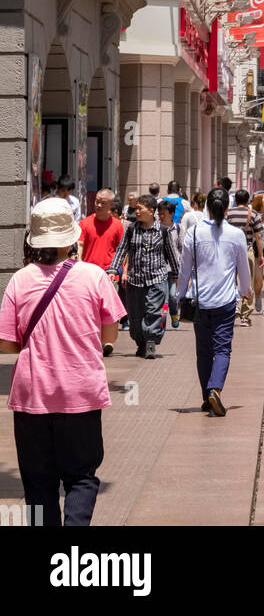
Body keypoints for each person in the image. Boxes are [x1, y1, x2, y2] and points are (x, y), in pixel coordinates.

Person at [0, 199, 126, 526]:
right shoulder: (93, 276)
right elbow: (109, 334)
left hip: (32, 397)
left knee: (38, 482)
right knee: (81, 476)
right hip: (81, 394)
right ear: (72, 237)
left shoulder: (20, 280)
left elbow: (7, 343)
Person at [177, 187, 251, 417]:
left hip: (200, 301)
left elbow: (185, 269)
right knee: (222, 349)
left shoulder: (194, 232)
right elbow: (243, 269)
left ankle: (207, 397)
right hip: (226, 301)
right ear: (226, 208)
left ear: (207, 207)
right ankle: (215, 389)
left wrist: (180, 295)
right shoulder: (236, 235)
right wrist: (245, 290)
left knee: (203, 351)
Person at [108, 193, 180, 358]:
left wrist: (176, 275)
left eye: (140, 208)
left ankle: (150, 342)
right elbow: (121, 250)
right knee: (136, 317)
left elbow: (171, 255)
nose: (137, 212)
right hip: (135, 281)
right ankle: (141, 342)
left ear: (151, 210)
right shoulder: (132, 229)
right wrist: (113, 269)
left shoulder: (163, 231)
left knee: (154, 312)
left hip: (157, 279)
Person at [77, 188, 126, 356]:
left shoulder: (118, 225)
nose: (97, 205)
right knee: (90, 309)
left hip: (109, 274)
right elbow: (80, 246)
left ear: (111, 205)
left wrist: (124, 271)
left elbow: (122, 250)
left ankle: (106, 341)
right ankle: (93, 339)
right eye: (97, 201)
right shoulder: (84, 223)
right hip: (88, 275)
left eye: (102, 203)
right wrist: (78, 266)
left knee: (108, 310)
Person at [226, 189, 263, 325]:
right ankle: (245, 316)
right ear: (248, 201)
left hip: (229, 252)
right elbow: (258, 236)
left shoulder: (228, 214)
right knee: (248, 281)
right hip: (247, 250)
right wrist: (261, 255)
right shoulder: (253, 214)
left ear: (235, 200)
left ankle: (233, 306)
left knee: (230, 280)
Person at [157, 200, 182, 329]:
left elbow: (181, 248)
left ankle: (174, 313)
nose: (161, 216)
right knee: (163, 296)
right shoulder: (156, 229)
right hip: (160, 269)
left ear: (171, 214)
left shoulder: (177, 228)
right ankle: (162, 321)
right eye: (159, 213)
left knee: (173, 295)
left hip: (174, 269)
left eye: (164, 214)